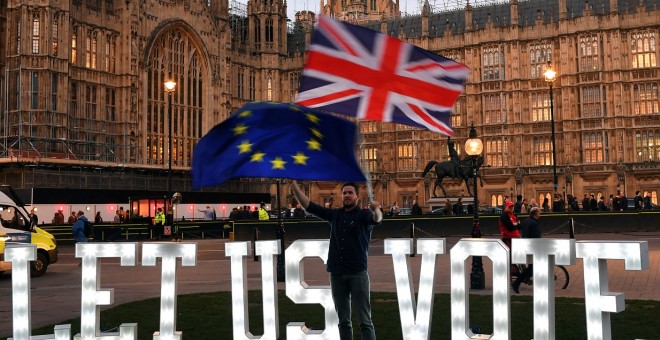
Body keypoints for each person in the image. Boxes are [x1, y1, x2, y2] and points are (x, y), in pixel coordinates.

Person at [291, 180, 382, 340]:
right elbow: (309, 206)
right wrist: (293, 185)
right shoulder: (335, 215)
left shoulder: (363, 216)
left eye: (350, 193)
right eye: (344, 193)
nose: (347, 195)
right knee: (343, 321)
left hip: (357, 274)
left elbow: (377, 219)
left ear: (357, 197)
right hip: (337, 275)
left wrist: (377, 210)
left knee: (365, 321)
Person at [511, 207, 542, 294]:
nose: (540, 214)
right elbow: (536, 237)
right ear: (536, 214)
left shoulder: (527, 221)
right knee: (531, 268)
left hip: (527, 246)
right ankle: (518, 282)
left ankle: (519, 282)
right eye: (539, 212)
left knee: (531, 267)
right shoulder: (534, 223)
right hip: (533, 247)